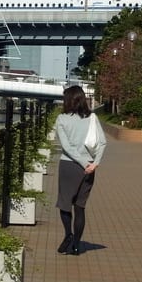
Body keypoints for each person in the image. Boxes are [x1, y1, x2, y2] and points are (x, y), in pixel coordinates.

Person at [55, 85, 106, 255]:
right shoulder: (92, 118)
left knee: (65, 204)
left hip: (69, 166)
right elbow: (102, 142)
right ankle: (76, 245)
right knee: (80, 207)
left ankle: (68, 234)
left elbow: (67, 147)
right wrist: (94, 164)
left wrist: (83, 163)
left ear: (68, 100)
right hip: (89, 169)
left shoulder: (62, 119)